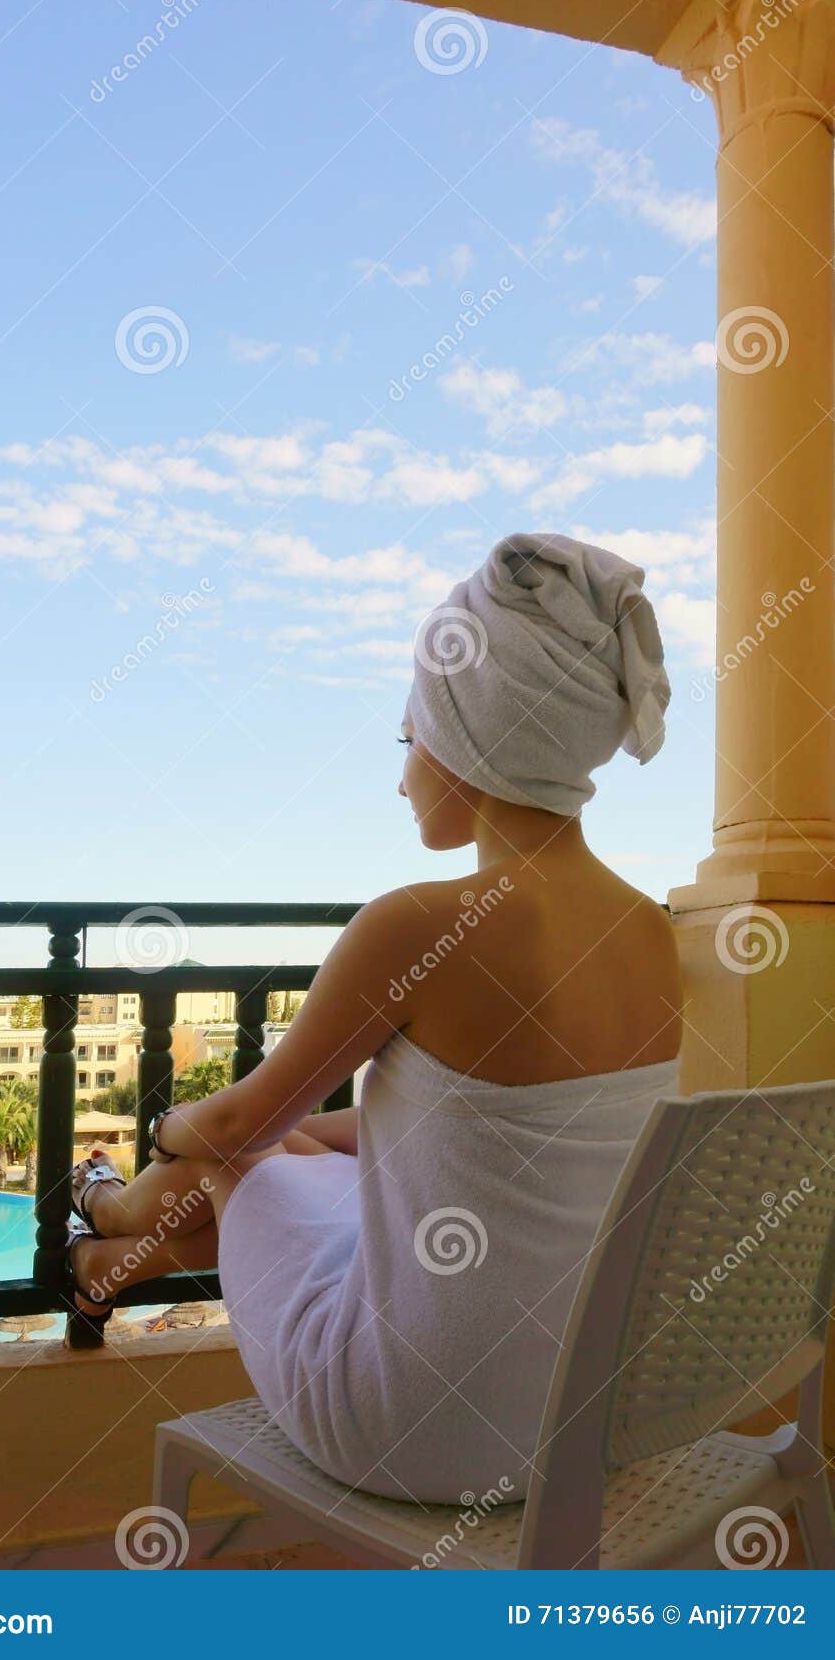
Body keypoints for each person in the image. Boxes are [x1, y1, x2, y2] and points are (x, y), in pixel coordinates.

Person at [67, 533, 682, 1504]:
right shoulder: (656, 935)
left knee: (233, 1160)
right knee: (291, 1163)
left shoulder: (416, 924)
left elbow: (233, 1129)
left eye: (410, 740)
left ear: (470, 742)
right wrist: (302, 1138)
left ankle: (102, 1209)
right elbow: (492, 1129)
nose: (402, 777)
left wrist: (167, 1129)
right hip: (588, 1414)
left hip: (411, 1420)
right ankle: (104, 1259)